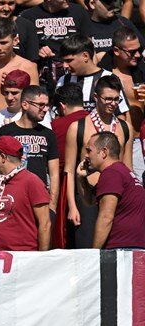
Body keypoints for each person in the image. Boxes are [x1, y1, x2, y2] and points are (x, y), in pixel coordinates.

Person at [63, 75, 133, 248]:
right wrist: (72, 206)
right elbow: (69, 170)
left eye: (117, 99)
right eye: (108, 98)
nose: (113, 103)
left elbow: (128, 167)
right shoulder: (77, 127)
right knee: (87, 253)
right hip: (87, 198)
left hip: (116, 198)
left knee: (115, 252)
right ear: (95, 97)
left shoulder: (125, 127)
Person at [0, 85, 59, 212]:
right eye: (41, 105)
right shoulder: (6, 131)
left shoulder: (48, 135)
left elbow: (54, 174)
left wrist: (52, 205)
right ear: (25, 104)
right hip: (10, 197)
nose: (45, 109)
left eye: (47, 105)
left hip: (39, 200)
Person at [0, 134, 50, 250]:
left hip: (24, 258)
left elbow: (45, 224)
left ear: (2, 157)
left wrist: (41, 260)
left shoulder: (32, 182)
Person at [82, 131, 145, 249]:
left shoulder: (111, 174)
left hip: (121, 249)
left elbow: (106, 217)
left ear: (104, 152)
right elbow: (89, 200)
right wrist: (81, 178)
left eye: (89, 150)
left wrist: (94, 254)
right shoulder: (122, 172)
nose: (86, 155)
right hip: (133, 247)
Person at [21, 0, 87, 91]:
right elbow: (22, 51)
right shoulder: (28, 16)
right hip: (44, 77)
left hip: (75, 74)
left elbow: (89, 47)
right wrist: (36, 50)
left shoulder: (79, 11)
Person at [106, 26, 145, 177]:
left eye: (139, 49)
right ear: (116, 51)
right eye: (131, 52)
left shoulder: (142, 71)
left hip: (141, 139)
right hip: (118, 143)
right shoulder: (105, 75)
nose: (137, 55)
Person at [56, 35, 129, 115]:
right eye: (63, 61)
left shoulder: (109, 78)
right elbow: (57, 116)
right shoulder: (63, 81)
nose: (65, 65)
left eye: (69, 60)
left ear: (85, 56)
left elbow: (121, 115)